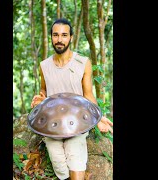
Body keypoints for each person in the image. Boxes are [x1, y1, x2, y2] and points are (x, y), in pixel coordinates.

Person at [30, 18, 113, 180]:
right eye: (56, 35)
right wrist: (40, 100)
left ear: (71, 37)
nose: (59, 40)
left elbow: (88, 94)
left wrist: (99, 117)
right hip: (52, 124)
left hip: (77, 122)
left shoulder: (83, 63)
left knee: (75, 157)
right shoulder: (44, 65)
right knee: (60, 167)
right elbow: (43, 90)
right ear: (51, 37)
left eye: (64, 35)